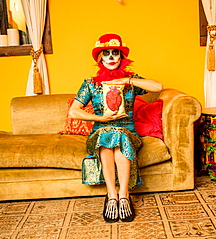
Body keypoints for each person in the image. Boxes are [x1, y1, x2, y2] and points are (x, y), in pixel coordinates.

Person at [68, 33, 162, 223]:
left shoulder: (131, 81)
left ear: (121, 58)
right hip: (100, 132)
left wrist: (127, 81)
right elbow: (74, 112)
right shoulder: (91, 84)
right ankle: (112, 196)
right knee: (108, 135)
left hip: (128, 132)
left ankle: (123, 195)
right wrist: (100, 117)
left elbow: (158, 86)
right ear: (100, 58)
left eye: (115, 53)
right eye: (106, 53)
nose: (111, 57)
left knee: (119, 137)